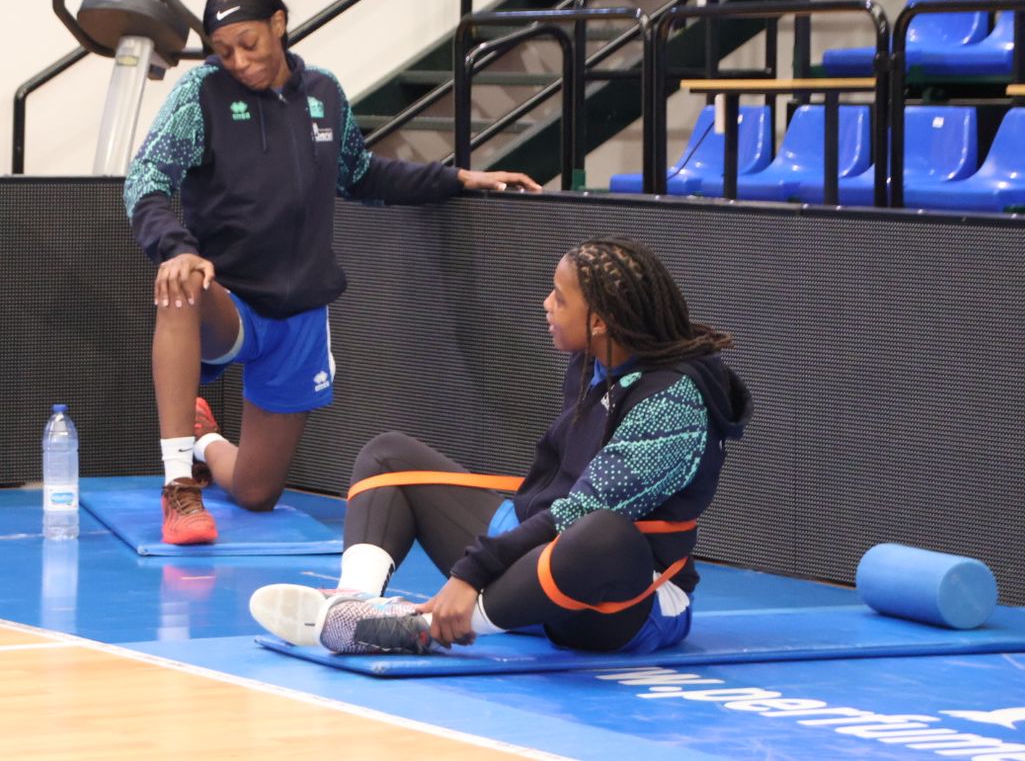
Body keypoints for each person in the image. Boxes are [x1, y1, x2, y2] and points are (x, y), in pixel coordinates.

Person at [123, 0, 541, 546]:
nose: (239, 62)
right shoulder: (200, 95)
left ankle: (204, 443)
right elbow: (144, 180)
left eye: (250, 43)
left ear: (280, 23)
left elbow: (360, 175)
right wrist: (178, 247)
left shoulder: (324, 93)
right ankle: (179, 486)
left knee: (255, 493)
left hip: (299, 313)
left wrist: (457, 177)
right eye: (223, 52)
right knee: (178, 285)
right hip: (228, 300)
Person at [250, 236, 751, 656]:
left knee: (603, 533)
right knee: (387, 457)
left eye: (559, 298)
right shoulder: (591, 359)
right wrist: (488, 560)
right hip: (534, 564)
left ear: (599, 320)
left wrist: (470, 574)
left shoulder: (674, 399)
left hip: (619, 599)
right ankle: (355, 607)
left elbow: (582, 513)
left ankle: (426, 629)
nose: (546, 305)